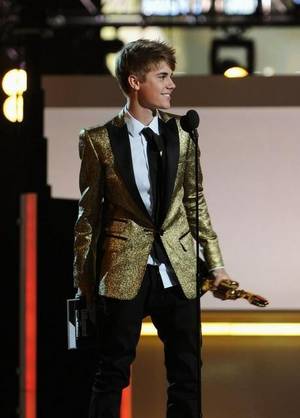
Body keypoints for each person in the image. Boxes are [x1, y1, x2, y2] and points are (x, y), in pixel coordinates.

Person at [73, 39, 231, 418]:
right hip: (123, 268)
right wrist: (83, 283)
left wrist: (217, 265)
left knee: (187, 373)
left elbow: (196, 206)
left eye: (171, 76)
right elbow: (89, 216)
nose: (171, 85)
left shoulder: (183, 134)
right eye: (162, 76)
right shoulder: (99, 141)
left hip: (177, 267)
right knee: (111, 372)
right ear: (134, 81)